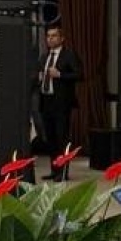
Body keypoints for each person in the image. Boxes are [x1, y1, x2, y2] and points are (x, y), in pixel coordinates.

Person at [35, 26, 82, 177]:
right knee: (51, 139)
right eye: (48, 36)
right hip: (46, 101)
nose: (50, 39)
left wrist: (60, 74)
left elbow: (79, 74)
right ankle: (54, 170)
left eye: (54, 36)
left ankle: (63, 173)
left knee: (61, 138)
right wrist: (39, 78)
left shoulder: (69, 55)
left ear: (61, 38)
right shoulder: (44, 56)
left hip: (61, 103)